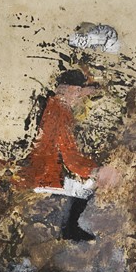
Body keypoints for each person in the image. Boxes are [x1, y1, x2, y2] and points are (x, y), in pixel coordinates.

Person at [17, 68, 101, 240]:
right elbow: (70, 158)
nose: (79, 97)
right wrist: (95, 170)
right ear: (71, 89)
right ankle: (70, 228)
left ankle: (70, 227)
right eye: (78, 92)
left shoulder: (51, 105)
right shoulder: (61, 112)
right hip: (48, 177)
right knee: (90, 184)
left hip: (41, 170)